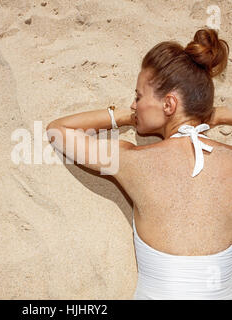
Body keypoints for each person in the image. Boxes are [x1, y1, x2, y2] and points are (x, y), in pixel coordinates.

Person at [46, 28, 232, 299]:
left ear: (169, 104)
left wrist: (121, 118)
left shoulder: (134, 161)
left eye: (138, 97)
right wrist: (216, 115)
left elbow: (57, 130)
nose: (133, 105)